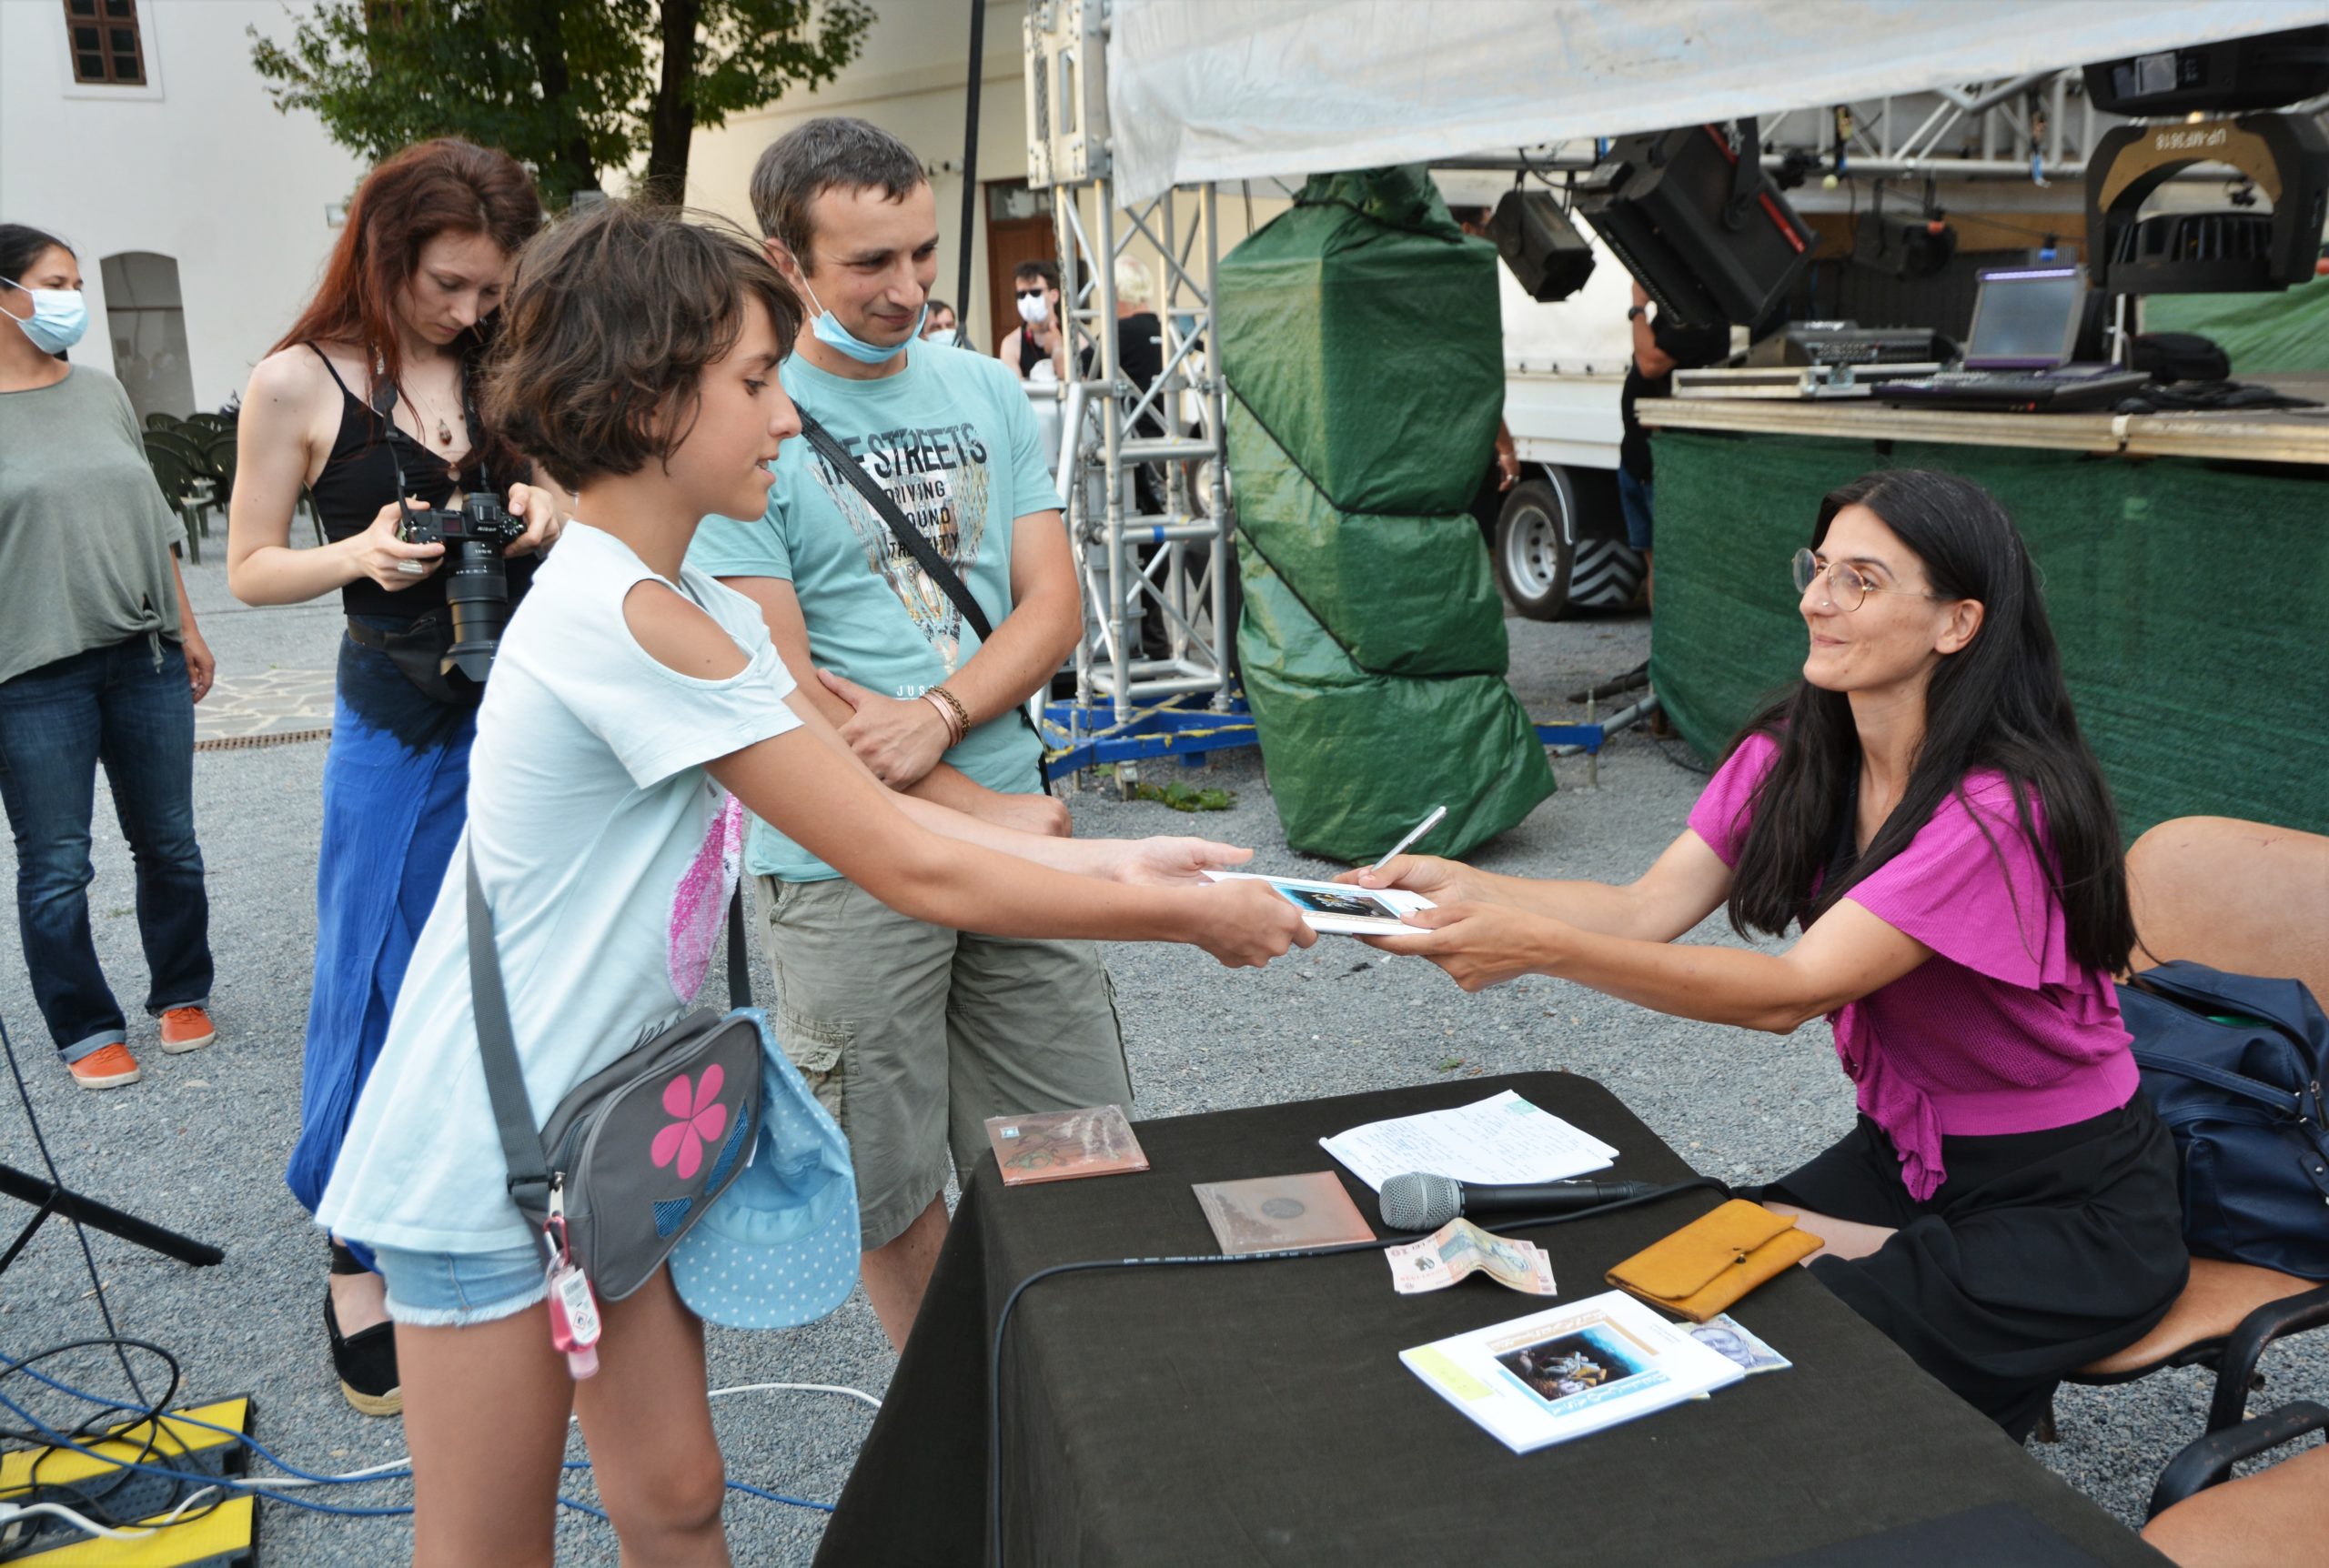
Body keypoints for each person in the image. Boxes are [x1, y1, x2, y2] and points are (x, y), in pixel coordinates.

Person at [314, 198, 1307, 1567]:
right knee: (488, 1547)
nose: (786, 418)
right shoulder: (625, 619)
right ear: (643, 397)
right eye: (755, 381)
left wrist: (1130, 853)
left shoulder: (696, 604)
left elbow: (878, 801)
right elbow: (896, 859)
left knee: (677, 1497)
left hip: (606, 1137)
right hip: (489, 1162)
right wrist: (1175, 913)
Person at [1351, 469, 2186, 1441]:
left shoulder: (1996, 809)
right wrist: (1464, 887)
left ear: (1957, 623)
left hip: (2071, 1203)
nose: (1813, 600)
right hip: (1908, 1162)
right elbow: (1640, 909)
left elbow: (1789, 992)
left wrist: (1535, 943)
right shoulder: (1796, 751)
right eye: (1817, 566)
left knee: (1783, 1348)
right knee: (1682, 1279)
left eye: (1859, 581)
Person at [690, 116, 1142, 1350]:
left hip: (1010, 830)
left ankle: (1081, 1393)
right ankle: (966, 1425)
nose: (906, 291)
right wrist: (982, 803)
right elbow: (786, 696)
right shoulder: (748, 424)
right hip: (840, 864)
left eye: (922, 255)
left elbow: (1051, 607)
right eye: (867, 265)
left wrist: (940, 715)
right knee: (889, 1187)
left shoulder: (988, 387)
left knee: (1074, 1144)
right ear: (787, 262)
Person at [225, 139, 563, 1419]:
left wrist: (553, 511)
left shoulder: (507, 363)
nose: (473, 310)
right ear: (384, 252)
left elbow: (584, 490)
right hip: (398, 720)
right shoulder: (293, 384)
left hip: (527, 712)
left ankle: (487, 1194)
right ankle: (354, 1246)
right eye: (450, 285)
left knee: (513, 963)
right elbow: (251, 566)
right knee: (375, 973)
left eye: (491, 286)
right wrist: (360, 553)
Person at [0, 224, 217, 1091]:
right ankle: (84, 1024)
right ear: (6, 297)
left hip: (144, 653)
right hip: (29, 672)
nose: (71, 300)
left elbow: (157, 522)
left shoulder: (101, 392)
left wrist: (189, 627)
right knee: (57, 862)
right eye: (55, 283)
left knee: (170, 842)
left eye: (76, 282)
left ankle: (183, 990)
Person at [1618, 278, 1727, 600]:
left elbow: (1649, 363)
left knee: (1672, 567)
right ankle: (1661, 648)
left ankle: (1675, 644)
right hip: (1637, 463)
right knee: (1655, 565)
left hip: (1665, 468)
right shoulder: (1674, 316)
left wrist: (1637, 308)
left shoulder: (1702, 319)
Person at [997, 258, 1066, 383]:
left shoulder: (1076, 337)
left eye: (1035, 293)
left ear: (1054, 296)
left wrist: (1057, 349)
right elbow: (1015, 393)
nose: (1028, 300)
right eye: (1021, 295)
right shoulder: (1011, 344)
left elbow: (1077, 385)